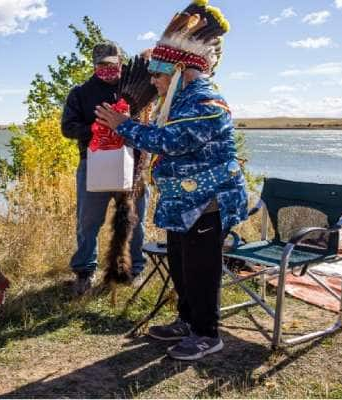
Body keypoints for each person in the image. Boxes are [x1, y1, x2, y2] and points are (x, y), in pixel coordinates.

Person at [94, 1, 248, 361]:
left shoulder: (205, 100)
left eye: (158, 75)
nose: (153, 81)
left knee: (201, 268)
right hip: (184, 201)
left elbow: (172, 142)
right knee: (180, 263)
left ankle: (207, 334)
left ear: (180, 70)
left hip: (209, 201)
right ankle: (187, 321)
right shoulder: (179, 100)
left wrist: (124, 126)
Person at [61, 42, 149, 295]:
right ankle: (84, 272)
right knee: (88, 221)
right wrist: (97, 128)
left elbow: (149, 124)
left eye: (112, 64)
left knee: (135, 220)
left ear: (120, 63)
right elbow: (68, 128)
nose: (108, 69)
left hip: (133, 164)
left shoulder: (137, 89)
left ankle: (135, 269)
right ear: (94, 64)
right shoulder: (80, 93)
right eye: (102, 64)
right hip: (94, 163)